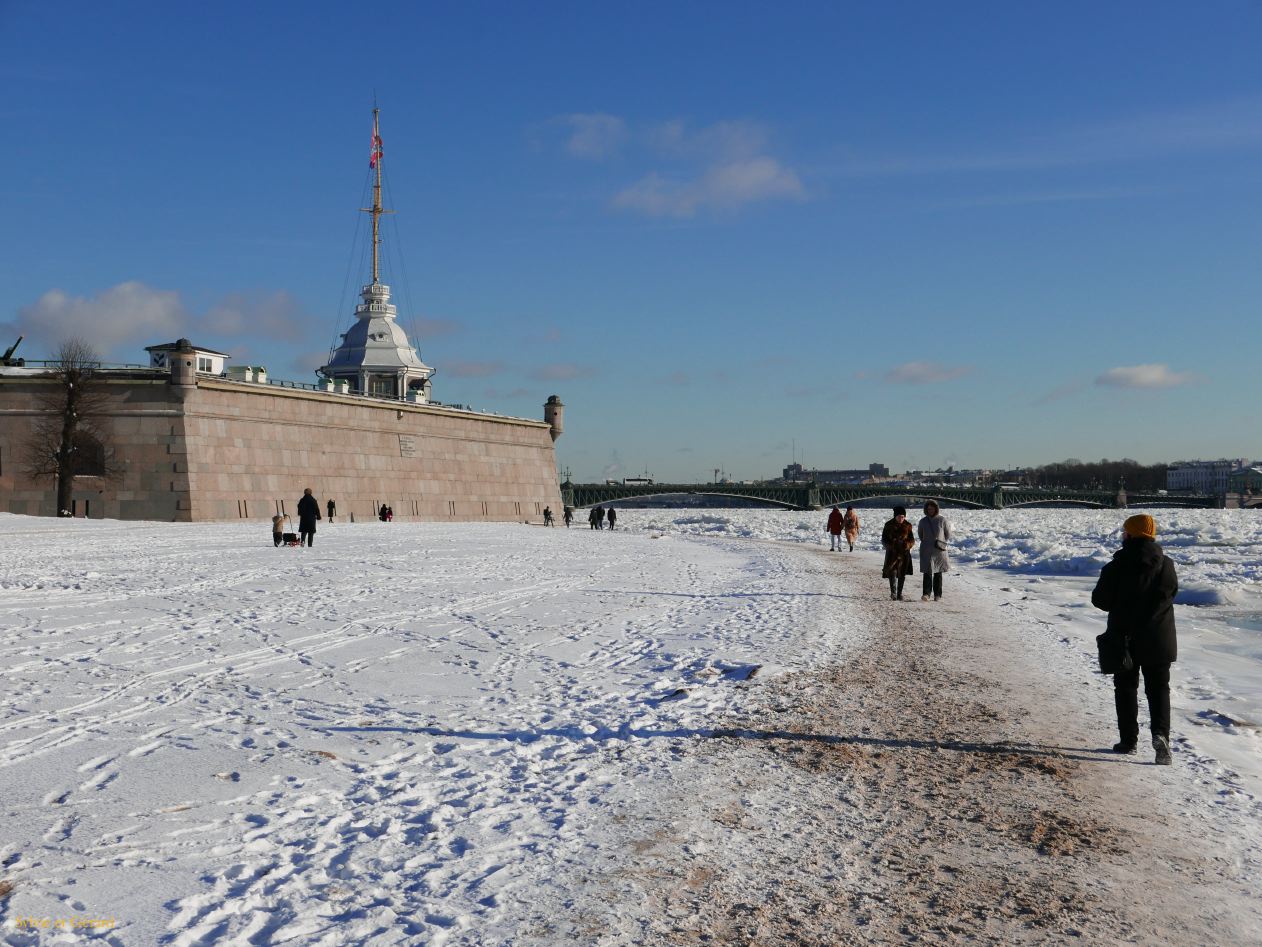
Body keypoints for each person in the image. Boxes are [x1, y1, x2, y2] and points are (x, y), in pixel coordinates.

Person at [1091, 514, 1178, 765]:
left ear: (1128, 535)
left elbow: (1101, 601)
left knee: (1126, 688)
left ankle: (1128, 741)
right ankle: (1161, 736)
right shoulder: (1167, 564)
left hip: (1124, 638)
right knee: (1159, 689)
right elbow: (1170, 594)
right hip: (1159, 638)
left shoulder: (1115, 566)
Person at [917, 500, 951, 601]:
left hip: (939, 550)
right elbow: (920, 534)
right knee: (927, 572)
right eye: (928, 509)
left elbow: (947, 534)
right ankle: (926, 594)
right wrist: (927, 542)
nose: (930, 510)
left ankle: (937, 595)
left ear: (936, 509)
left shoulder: (942, 520)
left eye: (932, 509)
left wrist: (941, 542)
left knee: (938, 572)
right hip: (926, 549)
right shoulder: (923, 521)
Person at [881, 506, 915, 600]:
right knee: (892, 572)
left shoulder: (908, 525)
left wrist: (907, 544)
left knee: (902, 573)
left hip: (904, 554)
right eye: (899, 516)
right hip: (892, 553)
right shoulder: (888, 525)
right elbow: (884, 539)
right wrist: (891, 545)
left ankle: (900, 593)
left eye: (903, 517)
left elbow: (912, 539)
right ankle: (893, 593)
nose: (901, 518)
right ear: (895, 516)